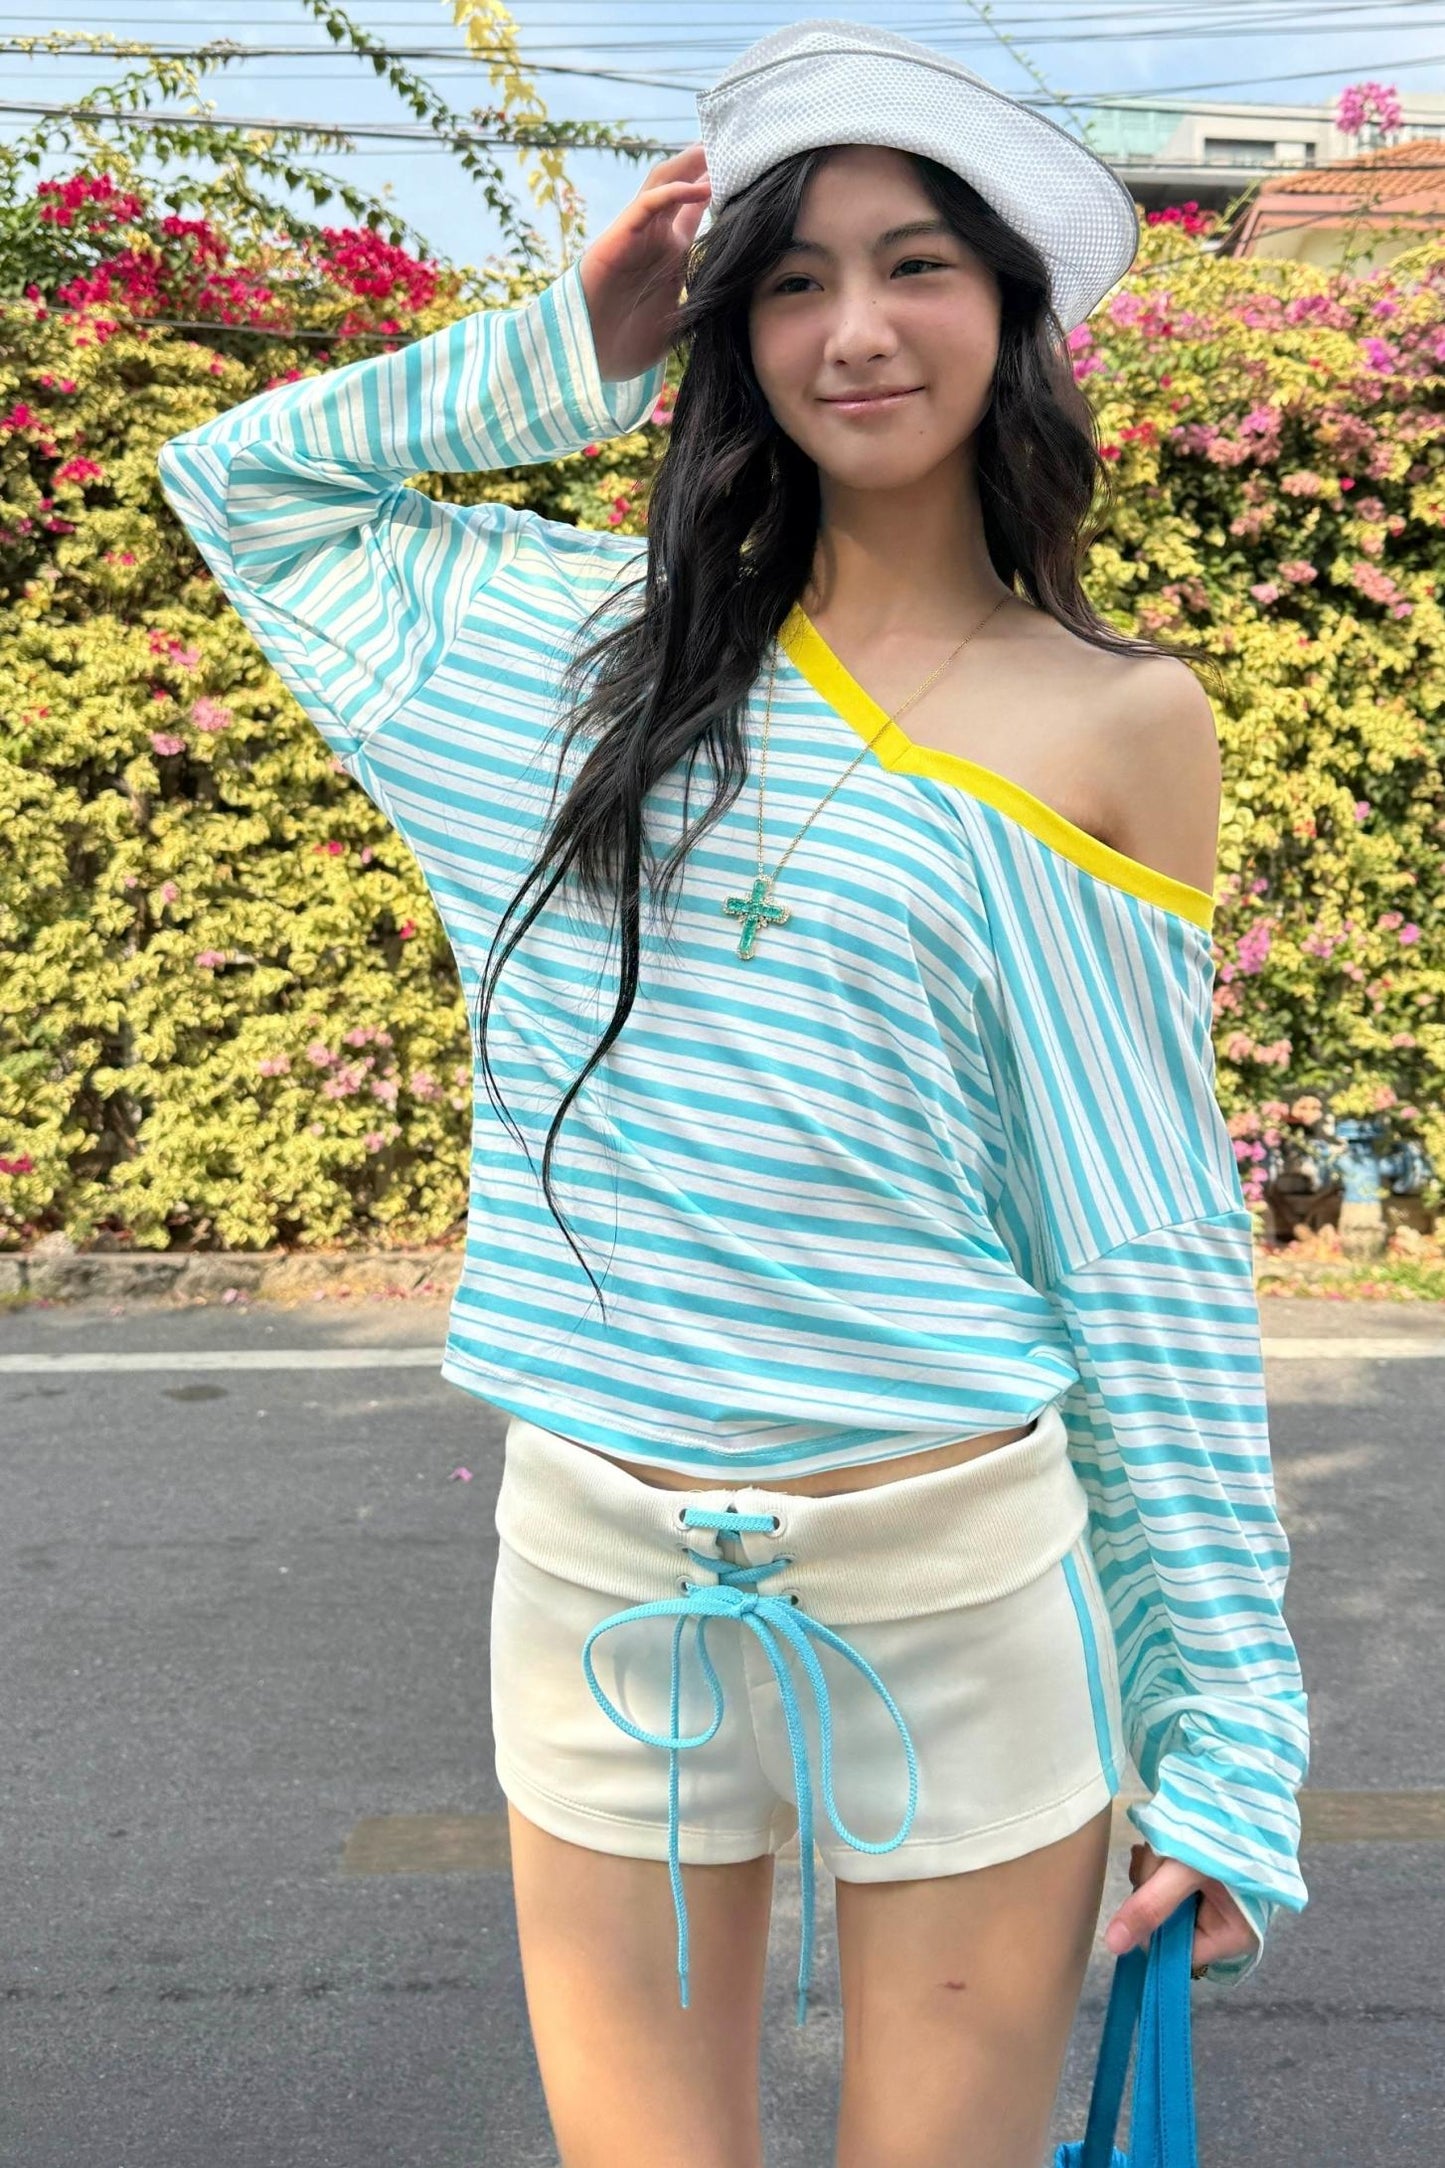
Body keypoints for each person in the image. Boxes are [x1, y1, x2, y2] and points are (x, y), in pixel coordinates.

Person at [157, 20, 1310, 2167]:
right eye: (791, 279)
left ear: (1010, 315)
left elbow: (1140, 1227)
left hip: (961, 1589)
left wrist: (1223, 1721)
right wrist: (570, 347)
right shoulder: (559, 653)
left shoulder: (1120, 720)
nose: (854, 329)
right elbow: (240, 486)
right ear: (732, 331)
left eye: (917, 265)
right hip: (601, 1572)